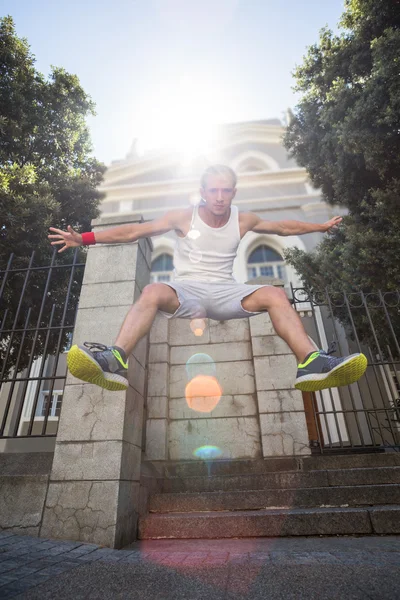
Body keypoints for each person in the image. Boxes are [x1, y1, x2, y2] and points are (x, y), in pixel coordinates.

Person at [48, 164, 367, 393]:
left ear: (233, 192)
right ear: (202, 192)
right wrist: (85, 239)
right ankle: (115, 359)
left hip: (229, 292)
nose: (219, 197)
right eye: (213, 190)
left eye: (225, 190)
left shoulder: (244, 219)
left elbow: (283, 227)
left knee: (274, 294)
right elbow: (134, 231)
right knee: (154, 290)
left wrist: (319, 227)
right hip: (186, 291)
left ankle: (310, 361)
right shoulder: (181, 217)